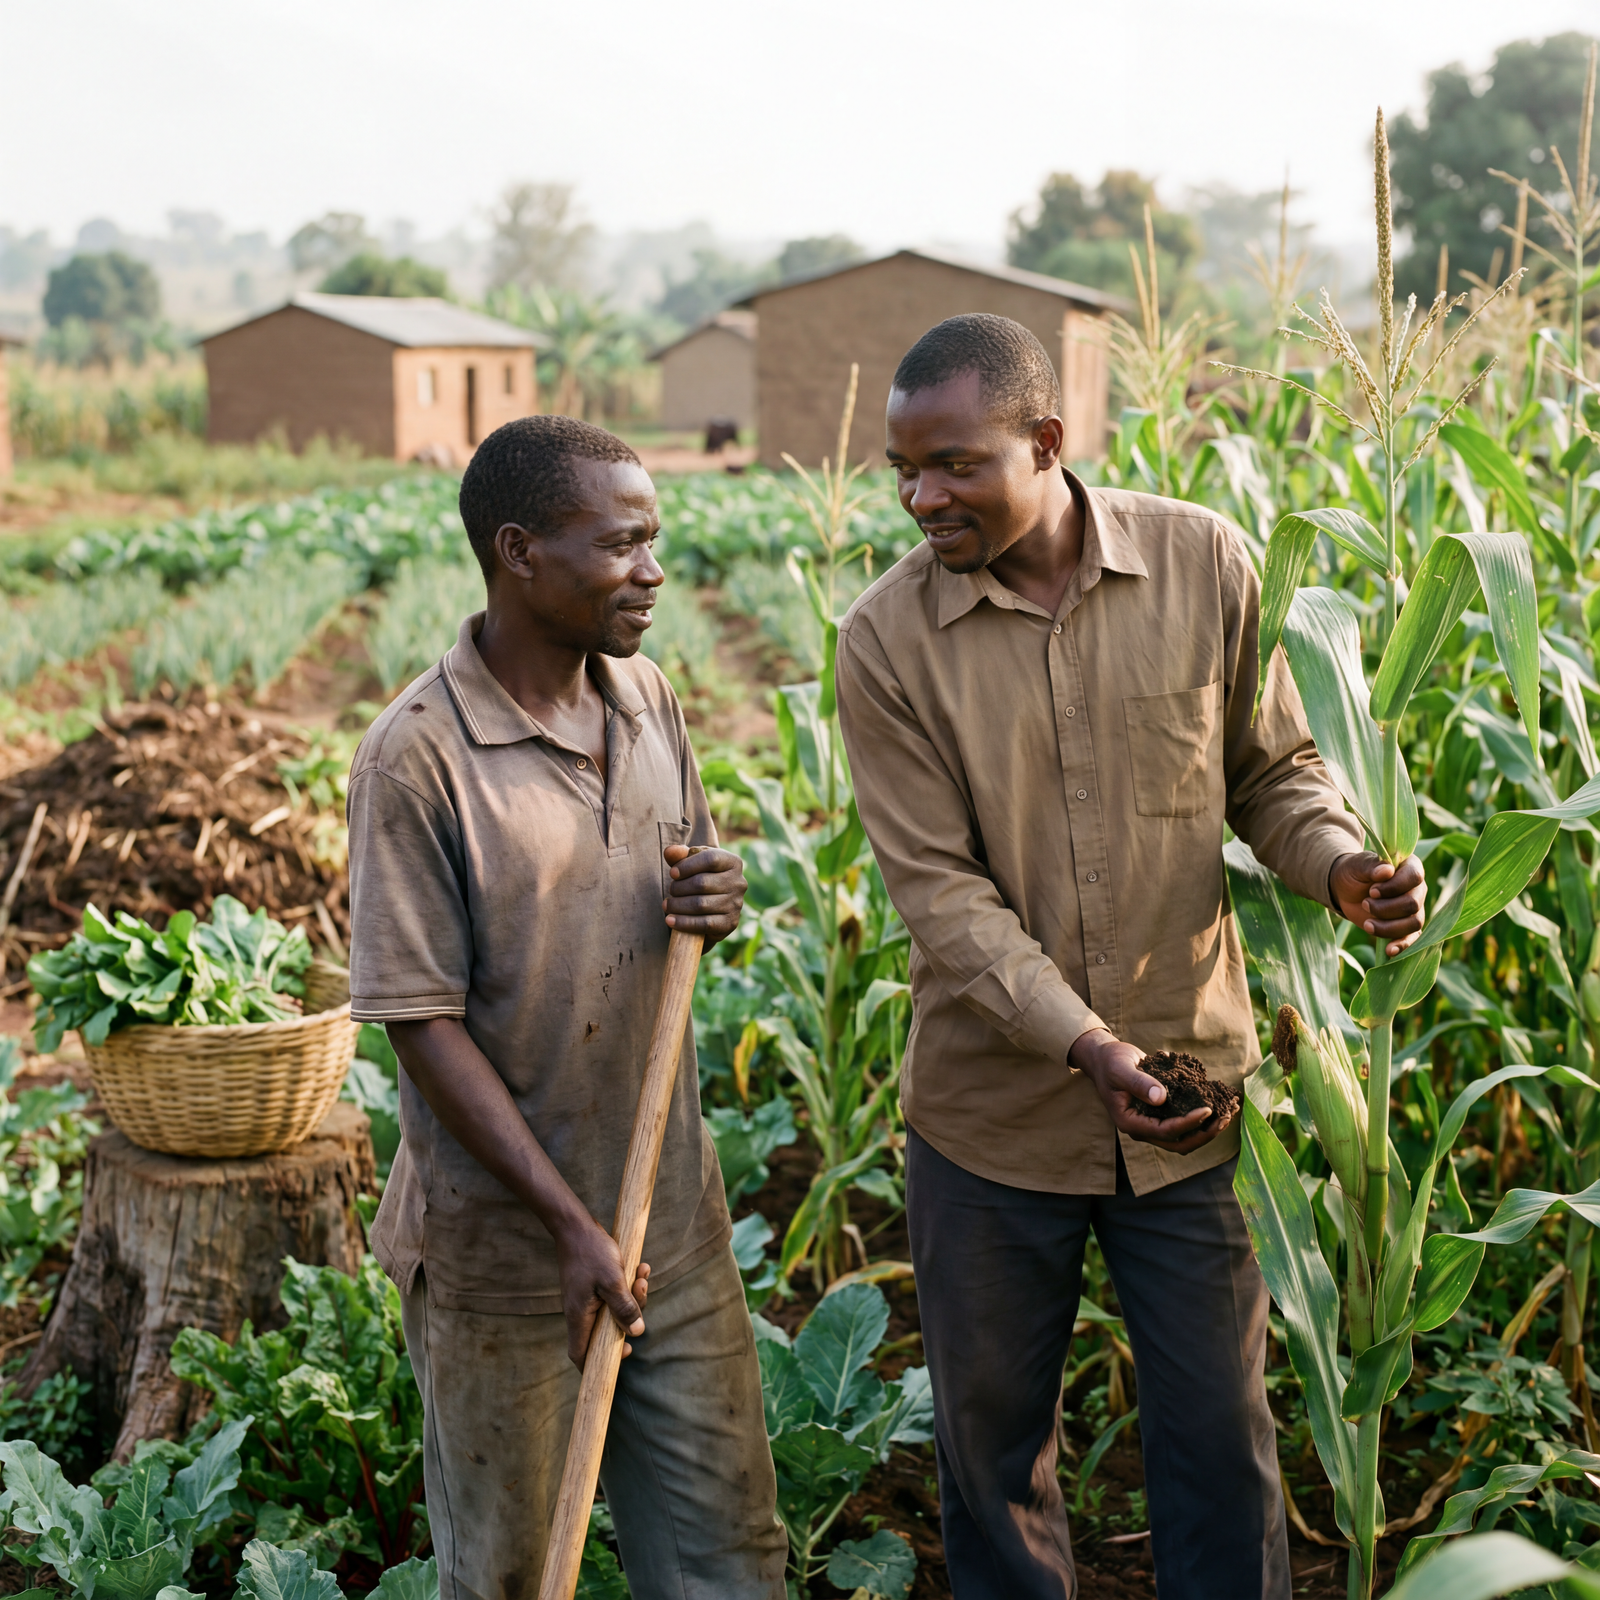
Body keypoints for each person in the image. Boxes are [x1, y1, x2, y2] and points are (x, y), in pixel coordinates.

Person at [834, 315, 1426, 1600]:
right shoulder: (886, 643)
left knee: (1222, 1444)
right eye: (902, 471)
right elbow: (942, 897)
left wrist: (1340, 869)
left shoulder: (1204, 563)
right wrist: (1087, 1045)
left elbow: (1273, 772)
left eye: (953, 465)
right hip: (993, 1125)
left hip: (1195, 1105)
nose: (920, 496)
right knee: (993, 1462)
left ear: (1046, 443)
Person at [347, 416, 788, 1600]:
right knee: (509, 1572)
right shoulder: (419, 757)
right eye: (622, 544)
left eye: (657, 540)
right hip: (505, 1252)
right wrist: (566, 1228)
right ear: (520, 552)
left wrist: (715, 888)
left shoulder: (646, 698)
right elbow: (420, 1022)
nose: (654, 571)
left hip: (669, 1220)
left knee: (727, 1559)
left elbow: (686, 868)